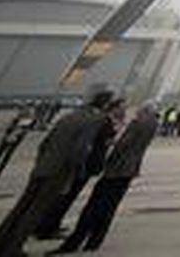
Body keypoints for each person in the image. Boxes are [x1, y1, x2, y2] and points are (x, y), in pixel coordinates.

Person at [0, 91, 111, 257]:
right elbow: (80, 150)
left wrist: (41, 163)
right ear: (105, 105)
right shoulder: (95, 120)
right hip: (59, 171)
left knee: (20, 208)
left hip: (43, 167)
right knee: (35, 212)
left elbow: (45, 143)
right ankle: (12, 248)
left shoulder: (70, 116)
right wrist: (78, 171)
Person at [50, 104, 158, 253]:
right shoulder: (152, 124)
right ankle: (94, 241)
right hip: (128, 171)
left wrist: (110, 146)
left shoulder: (137, 124)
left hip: (116, 171)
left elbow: (122, 146)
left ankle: (76, 241)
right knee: (109, 208)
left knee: (94, 206)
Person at [34, 98, 123, 240]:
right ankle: (48, 226)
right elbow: (86, 145)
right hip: (82, 166)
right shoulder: (98, 120)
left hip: (72, 165)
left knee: (64, 197)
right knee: (65, 197)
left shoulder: (82, 117)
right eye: (121, 106)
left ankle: (49, 224)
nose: (122, 109)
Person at [0, 107, 36, 179]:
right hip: (10, 138)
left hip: (14, 139)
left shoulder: (29, 121)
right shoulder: (18, 119)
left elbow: (25, 130)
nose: (26, 112)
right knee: (0, 156)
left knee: (4, 156)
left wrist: (17, 132)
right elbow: (10, 128)